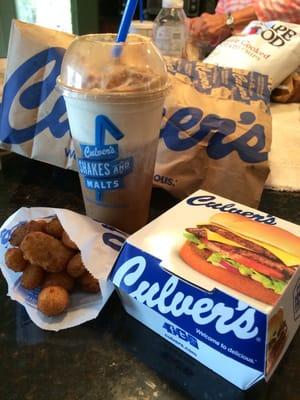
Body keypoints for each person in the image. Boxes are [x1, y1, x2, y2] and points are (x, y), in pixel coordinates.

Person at [189, 0, 300, 45]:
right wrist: (203, 27)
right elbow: (219, 24)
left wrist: (227, 20)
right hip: (237, 66)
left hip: (286, 74)